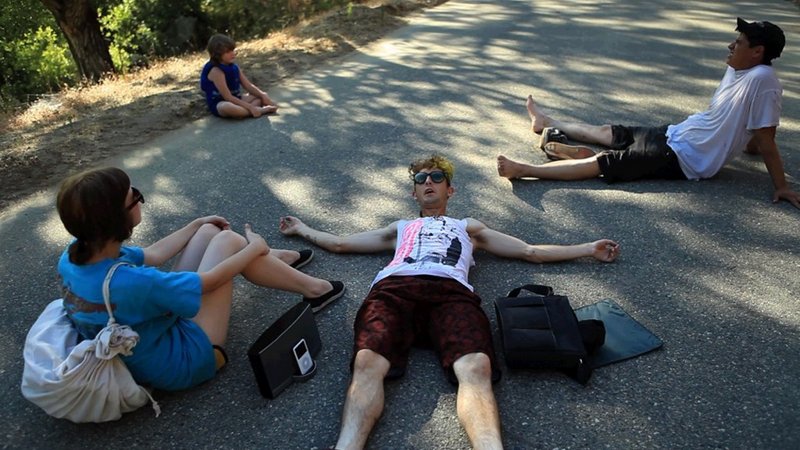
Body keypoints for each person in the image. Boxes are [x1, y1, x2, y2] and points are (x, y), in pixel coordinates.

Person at [278, 155, 620, 449]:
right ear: (414, 192)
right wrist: (303, 229)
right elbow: (340, 244)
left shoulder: (468, 227)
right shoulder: (401, 227)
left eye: (437, 177)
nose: (429, 182)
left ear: (449, 190)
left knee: (476, 366)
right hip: (394, 290)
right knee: (368, 362)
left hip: (451, 294)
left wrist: (587, 248)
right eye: (421, 179)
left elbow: (529, 251)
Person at [55, 167, 345, 392]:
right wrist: (255, 247)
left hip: (147, 337)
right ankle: (311, 286)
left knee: (208, 233)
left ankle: (274, 260)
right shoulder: (132, 282)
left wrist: (196, 225)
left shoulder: (76, 255)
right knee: (230, 241)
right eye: (137, 197)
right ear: (118, 219)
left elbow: (154, 254)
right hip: (184, 360)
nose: (141, 199)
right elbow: (210, 281)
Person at [496, 18, 800, 209]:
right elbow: (749, 125)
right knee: (613, 132)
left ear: (758, 51)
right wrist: (748, 146)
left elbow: (766, 136)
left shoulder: (763, 81)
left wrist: (781, 186)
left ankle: (524, 170)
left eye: (740, 42)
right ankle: (548, 123)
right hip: (676, 133)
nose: (731, 45)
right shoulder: (739, 69)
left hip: (685, 158)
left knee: (605, 163)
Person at [200, 34, 278, 118]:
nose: (232, 54)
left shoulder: (234, 67)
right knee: (227, 107)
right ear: (217, 55)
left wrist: (263, 95)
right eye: (227, 52)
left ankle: (249, 110)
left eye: (232, 50)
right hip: (221, 102)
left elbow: (248, 86)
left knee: (258, 97)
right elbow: (228, 97)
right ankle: (258, 110)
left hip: (237, 98)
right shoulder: (216, 71)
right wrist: (251, 107)